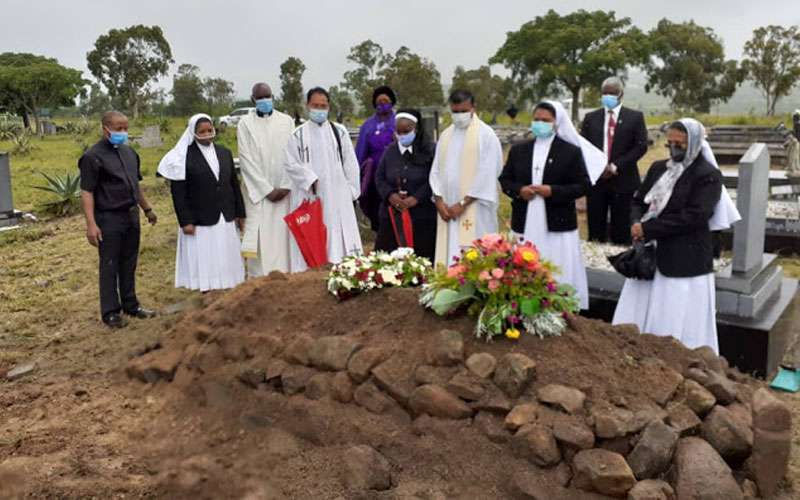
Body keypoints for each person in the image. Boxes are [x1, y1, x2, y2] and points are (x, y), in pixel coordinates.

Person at [612, 119, 723, 352]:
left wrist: (649, 229)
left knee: (673, 313)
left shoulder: (707, 174)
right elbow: (638, 200)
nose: (673, 149)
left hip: (684, 257)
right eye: (669, 143)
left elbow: (696, 216)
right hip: (650, 255)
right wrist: (636, 222)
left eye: (679, 144)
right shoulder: (658, 168)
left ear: (694, 143)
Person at [499, 101, 604, 310]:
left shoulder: (570, 152)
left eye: (545, 120)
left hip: (557, 222)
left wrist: (553, 191)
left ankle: (557, 306)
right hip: (525, 218)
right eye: (536, 119)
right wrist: (520, 190)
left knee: (556, 266)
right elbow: (505, 179)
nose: (540, 124)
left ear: (557, 122)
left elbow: (582, 185)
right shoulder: (519, 150)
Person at [78, 111, 158, 328]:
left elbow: (135, 185)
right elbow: (87, 191)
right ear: (106, 129)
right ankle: (111, 312)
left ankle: (131, 305)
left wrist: (147, 209)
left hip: (131, 215)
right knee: (110, 264)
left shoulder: (130, 152)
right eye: (118, 128)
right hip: (108, 218)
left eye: (125, 128)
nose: (123, 132)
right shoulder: (92, 157)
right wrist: (91, 224)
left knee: (129, 262)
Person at [158, 114, 246, 291]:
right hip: (200, 218)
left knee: (226, 252)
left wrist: (240, 213)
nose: (207, 134)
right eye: (202, 131)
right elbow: (179, 193)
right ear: (193, 132)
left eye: (209, 130)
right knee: (206, 255)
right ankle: (207, 288)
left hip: (225, 213)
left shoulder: (224, 152)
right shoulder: (183, 157)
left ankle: (228, 285)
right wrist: (185, 221)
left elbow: (234, 185)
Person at [285, 86, 362, 272]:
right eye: (315, 106)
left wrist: (351, 191)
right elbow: (290, 163)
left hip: (338, 195)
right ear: (307, 106)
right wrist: (309, 179)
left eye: (323, 106)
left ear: (329, 107)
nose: (319, 110)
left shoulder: (339, 132)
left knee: (341, 242)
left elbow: (350, 163)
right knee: (315, 237)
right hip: (311, 195)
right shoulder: (297, 135)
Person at [429, 89, 503, 267]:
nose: (459, 116)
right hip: (447, 209)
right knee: (449, 254)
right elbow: (435, 170)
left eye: (463, 111)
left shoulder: (485, 135)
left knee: (475, 256)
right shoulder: (446, 135)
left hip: (475, 208)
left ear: (473, 108)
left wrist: (463, 203)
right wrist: (439, 200)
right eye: (455, 111)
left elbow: (488, 173)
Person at [580, 77, 648, 245]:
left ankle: (621, 258)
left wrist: (616, 166)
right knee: (596, 230)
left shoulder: (635, 117)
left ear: (620, 94)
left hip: (624, 181)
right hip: (597, 182)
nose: (608, 96)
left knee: (621, 230)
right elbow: (583, 147)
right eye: (605, 93)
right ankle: (596, 258)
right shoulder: (591, 118)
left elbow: (640, 147)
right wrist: (598, 167)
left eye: (612, 93)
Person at [237, 82, 295, 275]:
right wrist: (267, 190)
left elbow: (293, 155)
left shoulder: (287, 121)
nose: (264, 100)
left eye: (267, 96)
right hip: (259, 194)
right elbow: (245, 160)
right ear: (253, 100)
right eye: (260, 98)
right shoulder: (245, 124)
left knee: (283, 237)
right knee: (261, 239)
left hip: (284, 192)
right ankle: (260, 280)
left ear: (273, 97)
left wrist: (286, 185)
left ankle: (286, 276)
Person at [374, 109, 437, 260]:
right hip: (392, 213)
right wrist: (390, 195)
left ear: (416, 129)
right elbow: (379, 178)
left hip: (421, 215)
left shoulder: (430, 150)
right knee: (387, 259)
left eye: (406, 131)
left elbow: (434, 178)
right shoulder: (390, 151)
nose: (402, 135)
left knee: (422, 258)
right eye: (399, 132)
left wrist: (416, 198)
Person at [355, 85, 397, 231]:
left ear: (392, 102)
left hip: (395, 177)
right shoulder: (367, 126)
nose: (382, 104)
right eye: (379, 102)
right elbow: (360, 152)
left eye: (386, 101)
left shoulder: (399, 121)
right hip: (374, 179)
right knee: (376, 214)